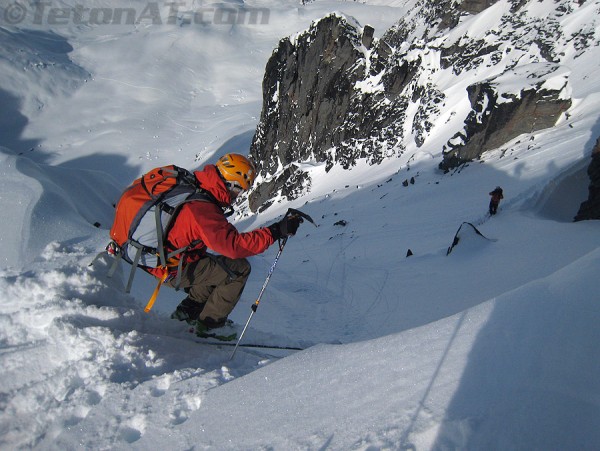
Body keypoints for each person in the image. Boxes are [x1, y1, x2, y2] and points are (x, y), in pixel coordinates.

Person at [156, 153, 301, 333]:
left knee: (218, 266)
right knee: (238, 270)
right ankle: (210, 326)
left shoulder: (197, 186)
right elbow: (234, 246)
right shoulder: (203, 208)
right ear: (231, 183)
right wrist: (276, 231)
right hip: (171, 267)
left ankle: (188, 312)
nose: (238, 196)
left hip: (163, 259)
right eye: (239, 190)